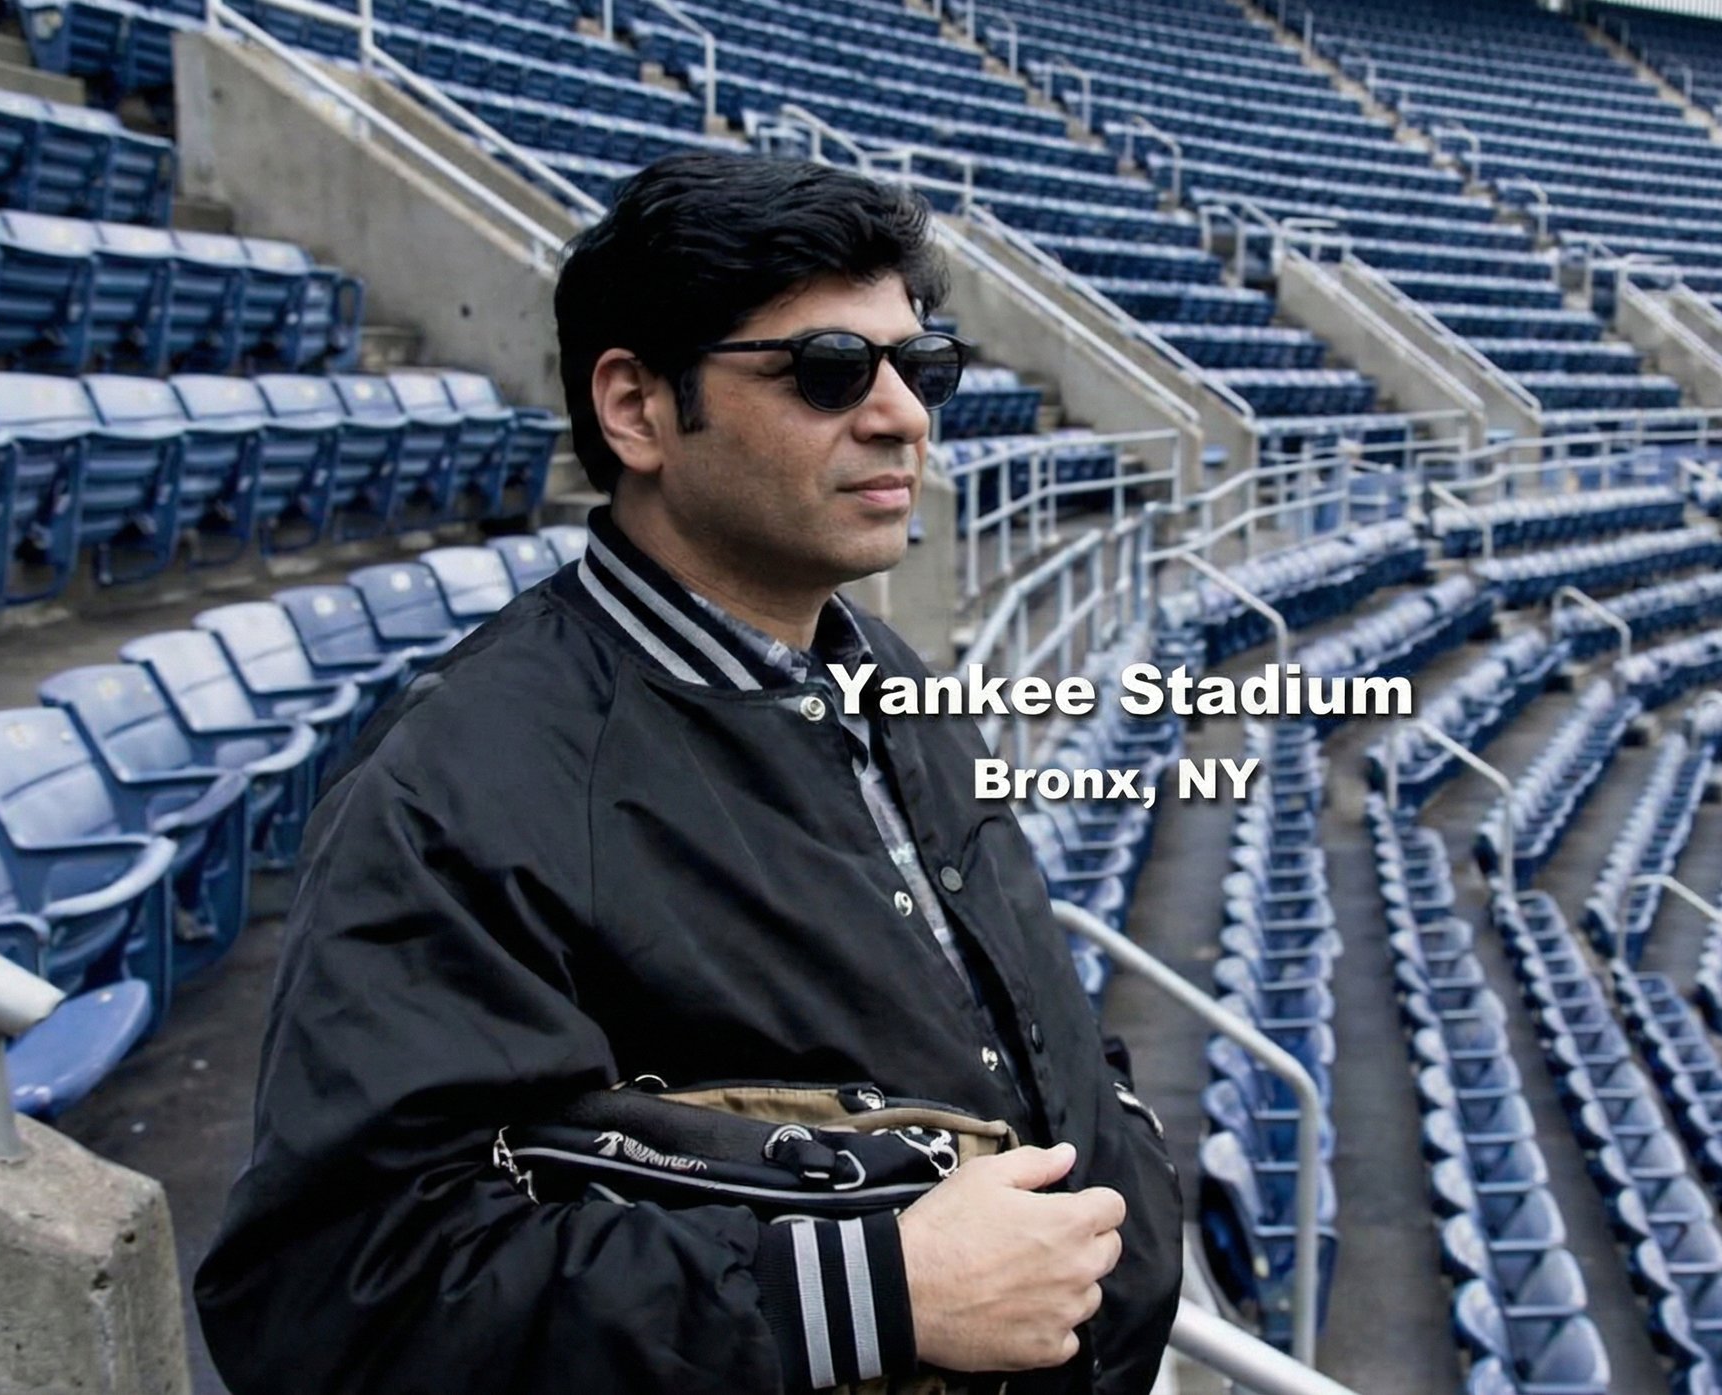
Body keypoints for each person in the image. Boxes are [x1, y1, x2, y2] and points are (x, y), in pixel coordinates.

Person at [194, 150, 1184, 1394]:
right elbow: (340, 1296)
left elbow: (1019, 1006)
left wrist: (1119, 1149)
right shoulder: (458, 787)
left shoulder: (886, 667)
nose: (904, 416)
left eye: (919, 367)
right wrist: (867, 1293)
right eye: (829, 371)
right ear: (637, 409)